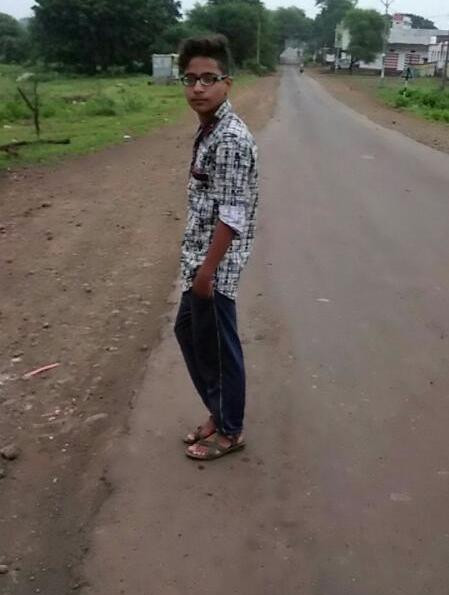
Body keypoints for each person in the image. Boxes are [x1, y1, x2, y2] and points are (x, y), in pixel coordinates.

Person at [174, 35, 259, 461]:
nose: (198, 88)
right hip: (199, 260)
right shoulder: (210, 128)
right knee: (189, 332)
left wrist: (207, 273)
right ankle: (219, 410)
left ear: (228, 82)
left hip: (214, 267)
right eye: (190, 79)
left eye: (208, 78)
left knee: (220, 351)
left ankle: (230, 430)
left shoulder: (229, 139)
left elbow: (233, 214)